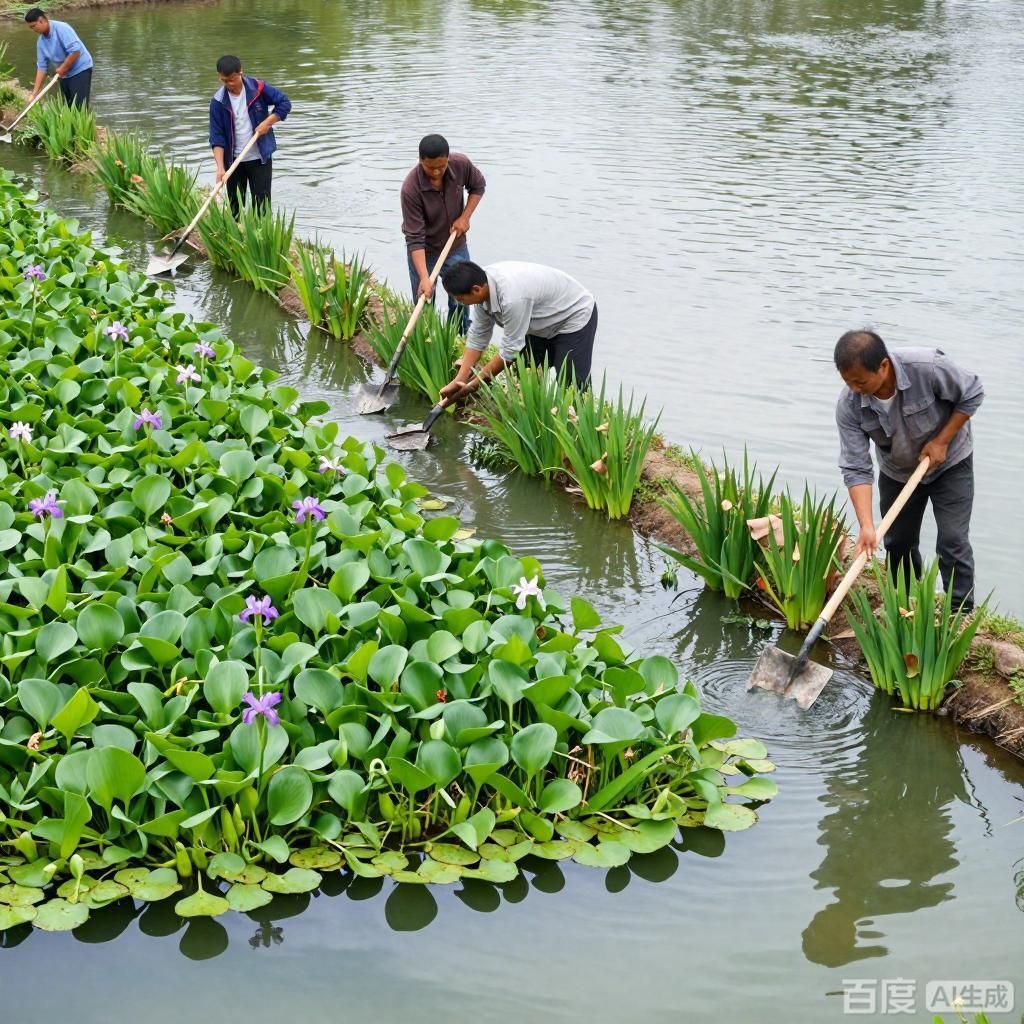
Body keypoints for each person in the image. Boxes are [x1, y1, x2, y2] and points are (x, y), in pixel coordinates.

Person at [834, 329, 984, 611]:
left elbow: (973, 392)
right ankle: (904, 606)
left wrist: (941, 440)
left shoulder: (927, 368)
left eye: (860, 381)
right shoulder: (849, 405)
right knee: (898, 542)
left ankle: (959, 612)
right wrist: (866, 525)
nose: (854, 388)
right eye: (847, 381)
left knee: (952, 540)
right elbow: (856, 466)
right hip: (897, 472)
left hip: (951, 463)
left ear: (883, 366)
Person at [438, 260, 597, 401]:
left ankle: (578, 426)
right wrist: (460, 379)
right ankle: (532, 417)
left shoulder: (512, 297)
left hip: (572, 316)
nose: (461, 303)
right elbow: (478, 337)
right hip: (538, 321)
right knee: (525, 373)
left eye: (460, 299)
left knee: (572, 383)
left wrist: (476, 383)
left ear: (476, 290)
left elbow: (510, 350)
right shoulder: (481, 288)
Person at [400, 134, 486, 330]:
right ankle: (428, 336)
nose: (437, 171)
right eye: (431, 167)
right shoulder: (411, 189)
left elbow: (478, 186)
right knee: (425, 298)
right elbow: (415, 238)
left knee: (461, 297)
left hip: (455, 246)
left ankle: (458, 337)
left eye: (442, 165)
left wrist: (465, 217)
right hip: (425, 250)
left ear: (448, 158)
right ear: (421, 160)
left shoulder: (460, 164)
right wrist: (424, 277)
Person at [208, 55, 292, 216]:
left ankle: (260, 236)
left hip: (260, 158)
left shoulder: (258, 89)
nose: (228, 85)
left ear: (240, 73)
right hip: (233, 161)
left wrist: (268, 122)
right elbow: (216, 136)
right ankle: (235, 236)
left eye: (231, 80)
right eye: (224, 81)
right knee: (234, 206)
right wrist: (220, 167)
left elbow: (284, 103)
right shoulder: (218, 102)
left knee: (261, 205)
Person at [25, 8, 93, 108]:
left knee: (80, 106)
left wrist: (63, 68)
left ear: (42, 21)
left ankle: (84, 123)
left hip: (80, 69)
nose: (33, 30)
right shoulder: (41, 42)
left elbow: (75, 51)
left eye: (34, 26)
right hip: (64, 74)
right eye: (31, 28)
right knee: (70, 106)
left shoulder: (61, 28)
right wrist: (34, 93)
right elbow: (42, 67)